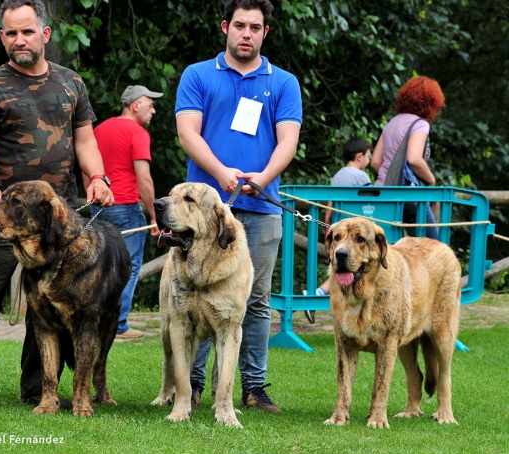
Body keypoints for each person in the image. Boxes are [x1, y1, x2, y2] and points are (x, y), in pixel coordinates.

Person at [0, 0, 113, 407]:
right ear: (2, 37)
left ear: (45, 34)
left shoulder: (72, 83)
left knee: (50, 305)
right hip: (2, 212)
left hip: (58, 219)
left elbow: (85, 139)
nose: (19, 40)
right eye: (11, 33)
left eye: (27, 31)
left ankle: (39, 389)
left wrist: (98, 177)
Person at [175, 0, 302, 413]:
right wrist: (221, 172)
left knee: (257, 301)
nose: (246, 34)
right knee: (194, 294)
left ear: (266, 32)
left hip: (262, 209)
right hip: (202, 212)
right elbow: (188, 133)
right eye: (240, 25)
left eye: (256, 27)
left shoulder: (283, 82)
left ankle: (253, 386)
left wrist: (262, 178)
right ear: (225, 27)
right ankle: (191, 386)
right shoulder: (197, 75)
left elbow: (288, 140)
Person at [84, 85, 162, 339]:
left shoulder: (100, 128)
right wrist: (154, 217)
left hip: (99, 207)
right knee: (126, 268)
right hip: (126, 207)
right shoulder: (137, 132)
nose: (154, 110)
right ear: (135, 105)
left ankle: (96, 322)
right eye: (150, 105)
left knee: (100, 268)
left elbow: (87, 167)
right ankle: (118, 326)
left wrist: (92, 194)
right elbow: (144, 179)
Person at [305, 137, 372, 323]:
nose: (369, 160)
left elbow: (330, 203)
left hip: (337, 228)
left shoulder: (338, 175)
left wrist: (329, 228)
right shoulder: (361, 177)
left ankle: (318, 292)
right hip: (355, 233)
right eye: (368, 156)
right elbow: (373, 203)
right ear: (360, 156)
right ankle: (322, 294)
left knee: (338, 267)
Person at [370, 76, 446, 240]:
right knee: (434, 248)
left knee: (390, 247)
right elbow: (414, 159)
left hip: (383, 193)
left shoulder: (392, 122)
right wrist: (431, 180)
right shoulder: (420, 124)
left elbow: (375, 161)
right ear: (432, 103)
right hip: (408, 197)